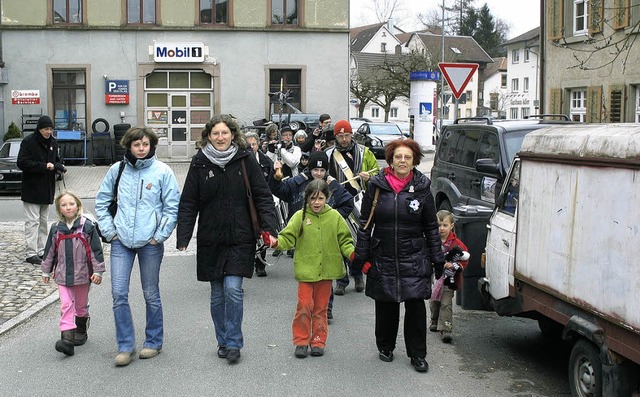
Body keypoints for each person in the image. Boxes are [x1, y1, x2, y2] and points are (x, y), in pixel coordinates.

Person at [177, 114, 277, 365]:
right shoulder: (199, 163)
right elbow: (189, 202)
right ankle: (222, 340)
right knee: (217, 295)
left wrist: (270, 228)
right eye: (215, 133)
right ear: (208, 137)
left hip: (240, 236)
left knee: (234, 289)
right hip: (211, 238)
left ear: (232, 134)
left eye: (224, 133)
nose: (220, 137)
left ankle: (233, 342)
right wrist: (184, 235)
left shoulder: (244, 160)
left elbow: (262, 195)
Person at [353, 139, 444, 373]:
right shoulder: (376, 185)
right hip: (383, 253)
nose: (402, 161)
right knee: (386, 304)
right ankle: (385, 346)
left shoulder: (423, 187)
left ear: (414, 161)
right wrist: (360, 257)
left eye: (407, 157)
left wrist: (437, 259)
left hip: (413, 255)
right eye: (398, 157)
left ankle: (417, 354)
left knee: (415, 307)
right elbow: (365, 224)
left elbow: (431, 227)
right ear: (391, 160)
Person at [95, 127, 180, 367]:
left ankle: (153, 341)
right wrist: (110, 232)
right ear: (129, 146)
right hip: (121, 241)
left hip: (150, 243)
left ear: (151, 146)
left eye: (145, 144)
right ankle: (125, 346)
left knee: (150, 294)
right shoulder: (117, 170)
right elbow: (102, 202)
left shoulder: (163, 171)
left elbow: (171, 206)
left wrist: (159, 235)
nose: (141, 149)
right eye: (136, 145)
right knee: (119, 293)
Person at [267, 179, 354, 358]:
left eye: (320, 198)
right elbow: (287, 237)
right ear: (307, 199)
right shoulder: (300, 216)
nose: (316, 202)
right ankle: (301, 340)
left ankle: (318, 341)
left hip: (327, 271)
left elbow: (345, 240)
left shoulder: (335, 217)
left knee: (321, 309)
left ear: (327, 198)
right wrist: (275, 243)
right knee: (305, 306)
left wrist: (352, 253)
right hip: (306, 271)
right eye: (313, 198)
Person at [41, 191, 105, 357]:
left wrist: (98, 271)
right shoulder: (56, 229)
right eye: (64, 205)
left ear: (77, 205)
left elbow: (96, 251)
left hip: (83, 274)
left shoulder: (87, 227)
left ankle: (81, 330)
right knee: (66, 305)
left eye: (71, 204)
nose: (68, 207)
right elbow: (50, 251)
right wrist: (46, 270)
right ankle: (67, 340)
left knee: (80, 306)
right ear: (59, 209)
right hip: (62, 274)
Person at [326, 120, 379, 295]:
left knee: (359, 242)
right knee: (339, 242)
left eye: (346, 135)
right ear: (335, 137)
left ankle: (357, 275)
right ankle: (341, 279)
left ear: (351, 135)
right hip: (338, 203)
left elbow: (377, 173)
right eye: (340, 136)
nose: (344, 139)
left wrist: (368, 178)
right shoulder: (329, 155)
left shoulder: (365, 153)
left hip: (361, 202)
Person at [17, 115, 66, 266]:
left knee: (44, 222)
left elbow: (56, 159)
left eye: (50, 129)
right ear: (39, 129)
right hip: (32, 188)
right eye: (46, 129)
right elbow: (22, 163)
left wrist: (59, 167)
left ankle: (41, 249)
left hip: (47, 188)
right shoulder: (28, 142)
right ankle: (30, 252)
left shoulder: (53, 141)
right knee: (32, 222)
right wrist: (44, 166)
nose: (48, 132)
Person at [430, 210, 469, 343]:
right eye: (439, 225)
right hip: (435, 278)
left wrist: (455, 266)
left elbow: (465, 257)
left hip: (449, 279)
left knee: (446, 303)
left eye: (445, 225)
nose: (441, 228)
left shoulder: (456, 243)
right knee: (435, 301)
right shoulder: (432, 241)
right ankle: (434, 320)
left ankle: (446, 328)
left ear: (451, 226)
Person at [245, 131, 275, 277]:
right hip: (246, 202)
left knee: (263, 230)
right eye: (249, 144)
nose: (252, 147)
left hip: (261, 200)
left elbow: (271, 179)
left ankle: (261, 264)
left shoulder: (266, 161)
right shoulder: (242, 160)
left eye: (254, 144)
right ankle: (248, 261)